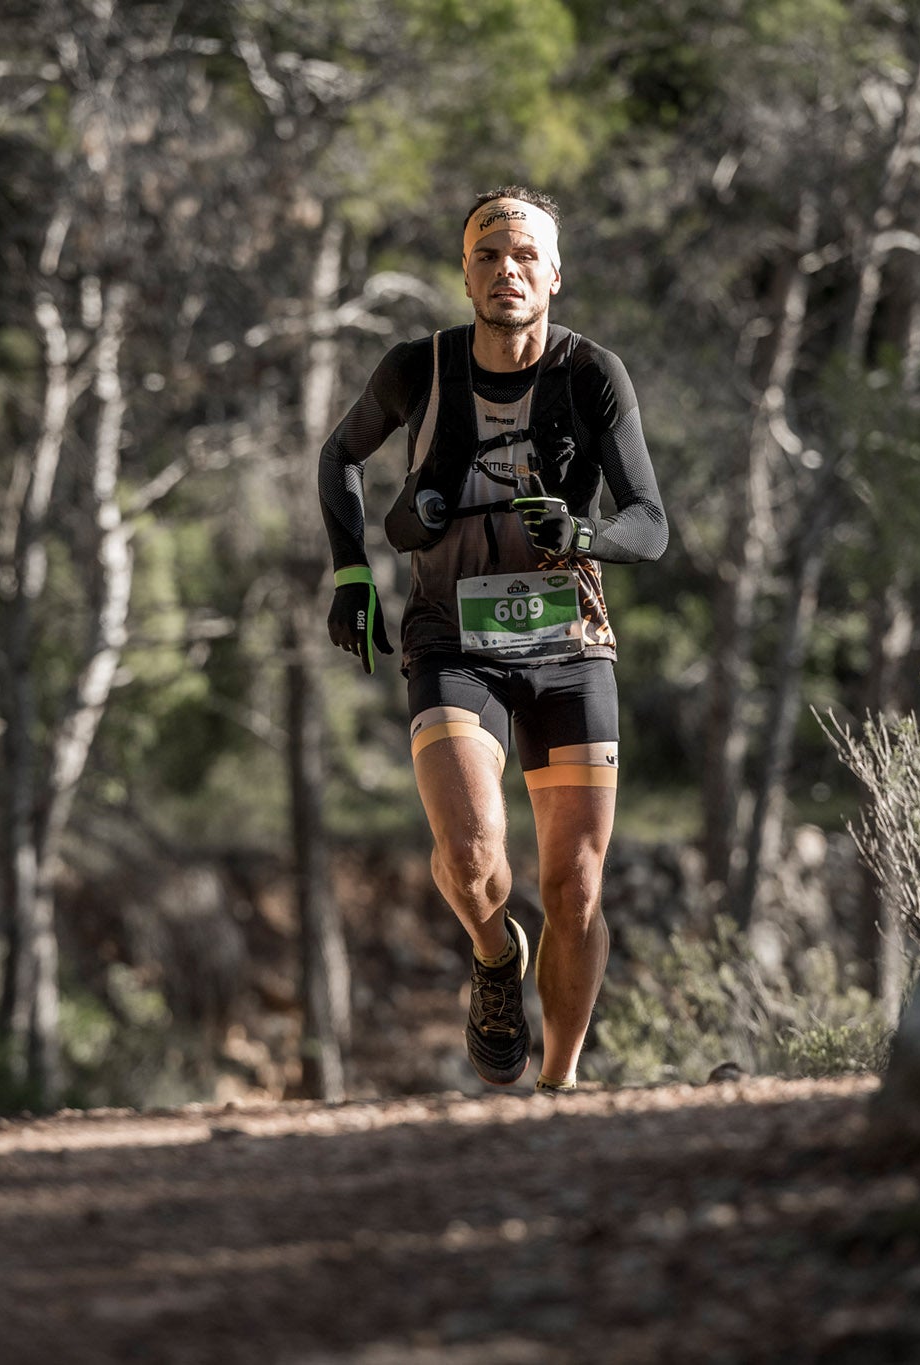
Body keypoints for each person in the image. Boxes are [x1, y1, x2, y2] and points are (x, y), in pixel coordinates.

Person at [317, 186, 667, 1093]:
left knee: (574, 886)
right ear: (465, 271)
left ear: (554, 274)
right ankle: (490, 951)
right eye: (487, 255)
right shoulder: (417, 369)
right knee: (475, 860)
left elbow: (651, 524)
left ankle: (559, 1086)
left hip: (569, 645)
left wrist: (584, 536)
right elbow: (340, 455)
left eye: (524, 257)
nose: (505, 270)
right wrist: (353, 568)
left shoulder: (591, 373)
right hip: (450, 642)